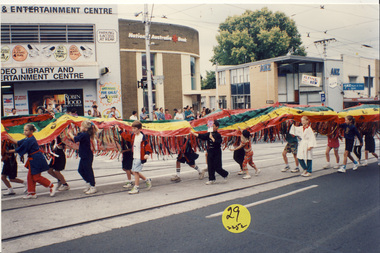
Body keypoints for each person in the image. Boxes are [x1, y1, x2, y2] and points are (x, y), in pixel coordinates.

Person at [6, 124, 57, 199]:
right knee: (30, 176)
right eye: (24, 130)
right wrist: (9, 137)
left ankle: (51, 185)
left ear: (31, 131)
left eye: (26, 130)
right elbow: (18, 142)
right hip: (33, 159)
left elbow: (20, 148)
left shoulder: (30, 139)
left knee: (36, 177)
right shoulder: (28, 138)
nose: (24, 132)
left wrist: (9, 151)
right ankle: (32, 193)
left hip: (36, 159)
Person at [191, 120, 229, 184]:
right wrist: (193, 133)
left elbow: (218, 142)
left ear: (217, 127)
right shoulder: (209, 134)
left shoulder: (218, 135)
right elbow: (202, 136)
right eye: (211, 126)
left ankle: (225, 174)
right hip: (210, 151)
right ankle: (211, 179)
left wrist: (212, 138)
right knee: (210, 166)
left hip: (217, 151)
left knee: (217, 167)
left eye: (213, 126)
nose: (212, 128)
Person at [122, 120, 153, 194]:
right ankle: (146, 180)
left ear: (139, 129)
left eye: (135, 129)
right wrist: (120, 131)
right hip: (135, 156)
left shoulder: (142, 137)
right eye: (132, 128)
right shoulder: (133, 135)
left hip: (140, 157)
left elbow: (147, 146)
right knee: (134, 171)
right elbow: (126, 137)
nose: (133, 130)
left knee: (135, 172)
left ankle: (136, 187)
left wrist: (147, 153)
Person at [68, 120, 98, 194]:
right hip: (84, 155)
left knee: (88, 171)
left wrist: (69, 133)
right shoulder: (83, 133)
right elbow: (78, 136)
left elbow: (76, 139)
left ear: (85, 128)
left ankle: (92, 186)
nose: (80, 127)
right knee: (80, 170)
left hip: (87, 155)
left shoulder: (85, 134)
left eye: (81, 126)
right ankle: (88, 182)